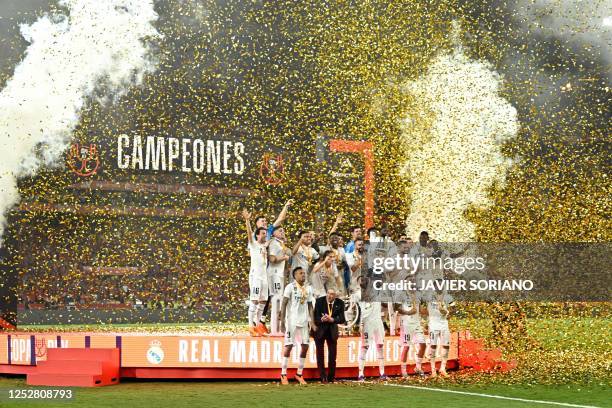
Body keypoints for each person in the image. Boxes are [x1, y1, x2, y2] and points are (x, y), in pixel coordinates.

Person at [280, 267, 316, 385]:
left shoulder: (308, 288)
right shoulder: (290, 287)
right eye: (300, 273)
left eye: (304, 273)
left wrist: (312, 322)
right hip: (292, 321)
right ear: (295, 275)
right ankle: (283, 374)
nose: (303, 275)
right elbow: (284, 303)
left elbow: (310, 305)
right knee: (289, 346)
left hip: (304, 321)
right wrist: (282, 321)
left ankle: (299, 374)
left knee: (305, 346)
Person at [242, 209, 268, 337]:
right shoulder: (253, 244)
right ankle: (250, 326)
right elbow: (249, 233)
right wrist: (247, 220)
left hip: (264, 278)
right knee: (254, 301)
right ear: (257, 235)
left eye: (265, 233)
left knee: (263, 302)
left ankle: (258, 326)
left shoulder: (264, 246)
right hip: (256, 277)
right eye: (263, 233)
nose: (265, 235)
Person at [356, 276, 387, 381]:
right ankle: (360, 373)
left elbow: (383, 280)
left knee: (380, 346)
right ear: (358, 284)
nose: (362, 282)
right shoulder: (357, 295)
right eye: (360, 281)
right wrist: (359, 324)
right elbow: (356, 311)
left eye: (364, 280)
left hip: (378, 322)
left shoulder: (376, 290)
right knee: (364, 347)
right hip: (366, 323)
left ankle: (382, 373)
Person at [313, 288, 346, 383]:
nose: (329, 296)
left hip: (332, 331)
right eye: (328, 293)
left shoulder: (340, 303)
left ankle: (331, 377)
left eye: (332, 294)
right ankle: (322, 377)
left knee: (332, 355)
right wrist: (321, 319)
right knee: (320, 355)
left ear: (335, 295)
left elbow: (342, 319)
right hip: (320, 331)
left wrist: (333, 320)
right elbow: (315, 317)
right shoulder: (319, 301)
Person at [425, 282, 455, 378]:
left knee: (446, 346)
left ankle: (442, 368)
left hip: (444, 324)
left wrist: (447, 312)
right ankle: (433, 370)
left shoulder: (448, 296)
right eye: (437, 285)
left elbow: (454, 308)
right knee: (433, 346)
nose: (439, 287)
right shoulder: (429, 296)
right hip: (433, 324)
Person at [267, 226, 291, 335]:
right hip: (274, 274)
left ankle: (278, 329)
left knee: (279, 299)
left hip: (279, 274)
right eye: (280, 231)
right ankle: (274, 330)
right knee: (276, 299)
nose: (283, 232)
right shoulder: (273, 243)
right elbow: (272, 259)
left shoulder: (280, 244)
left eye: (283, 230)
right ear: (273, 233)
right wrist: (284, 258)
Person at [396, 291, 427, 377]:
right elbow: (397, 308)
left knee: (423, 345)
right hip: (406, 324)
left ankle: (418, 367)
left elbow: (420, 309)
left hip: (417, 324)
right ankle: (404, 371)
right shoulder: (401, 294)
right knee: (406, 347)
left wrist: (431, 312)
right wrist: (408, 312)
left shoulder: (418, 294)